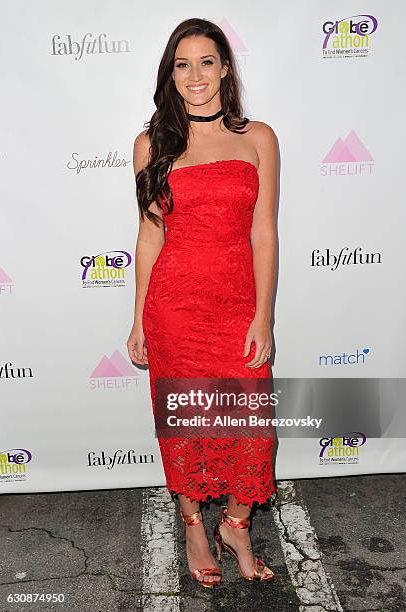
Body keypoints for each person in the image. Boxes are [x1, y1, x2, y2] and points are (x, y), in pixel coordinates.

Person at [127, 18, 278, 588]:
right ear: (171, 73)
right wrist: (139, 317)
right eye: (183, 64)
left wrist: (263, 313)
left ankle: (236, 524)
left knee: (254, 429)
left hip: (238, 304)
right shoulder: (152, 145)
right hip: (176, 308)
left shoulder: (258, 138)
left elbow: (264, 232)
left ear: (225, 68)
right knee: (187, 422)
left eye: (207, 62)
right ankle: (193, 523)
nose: (196, 75)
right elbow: (148, 236)